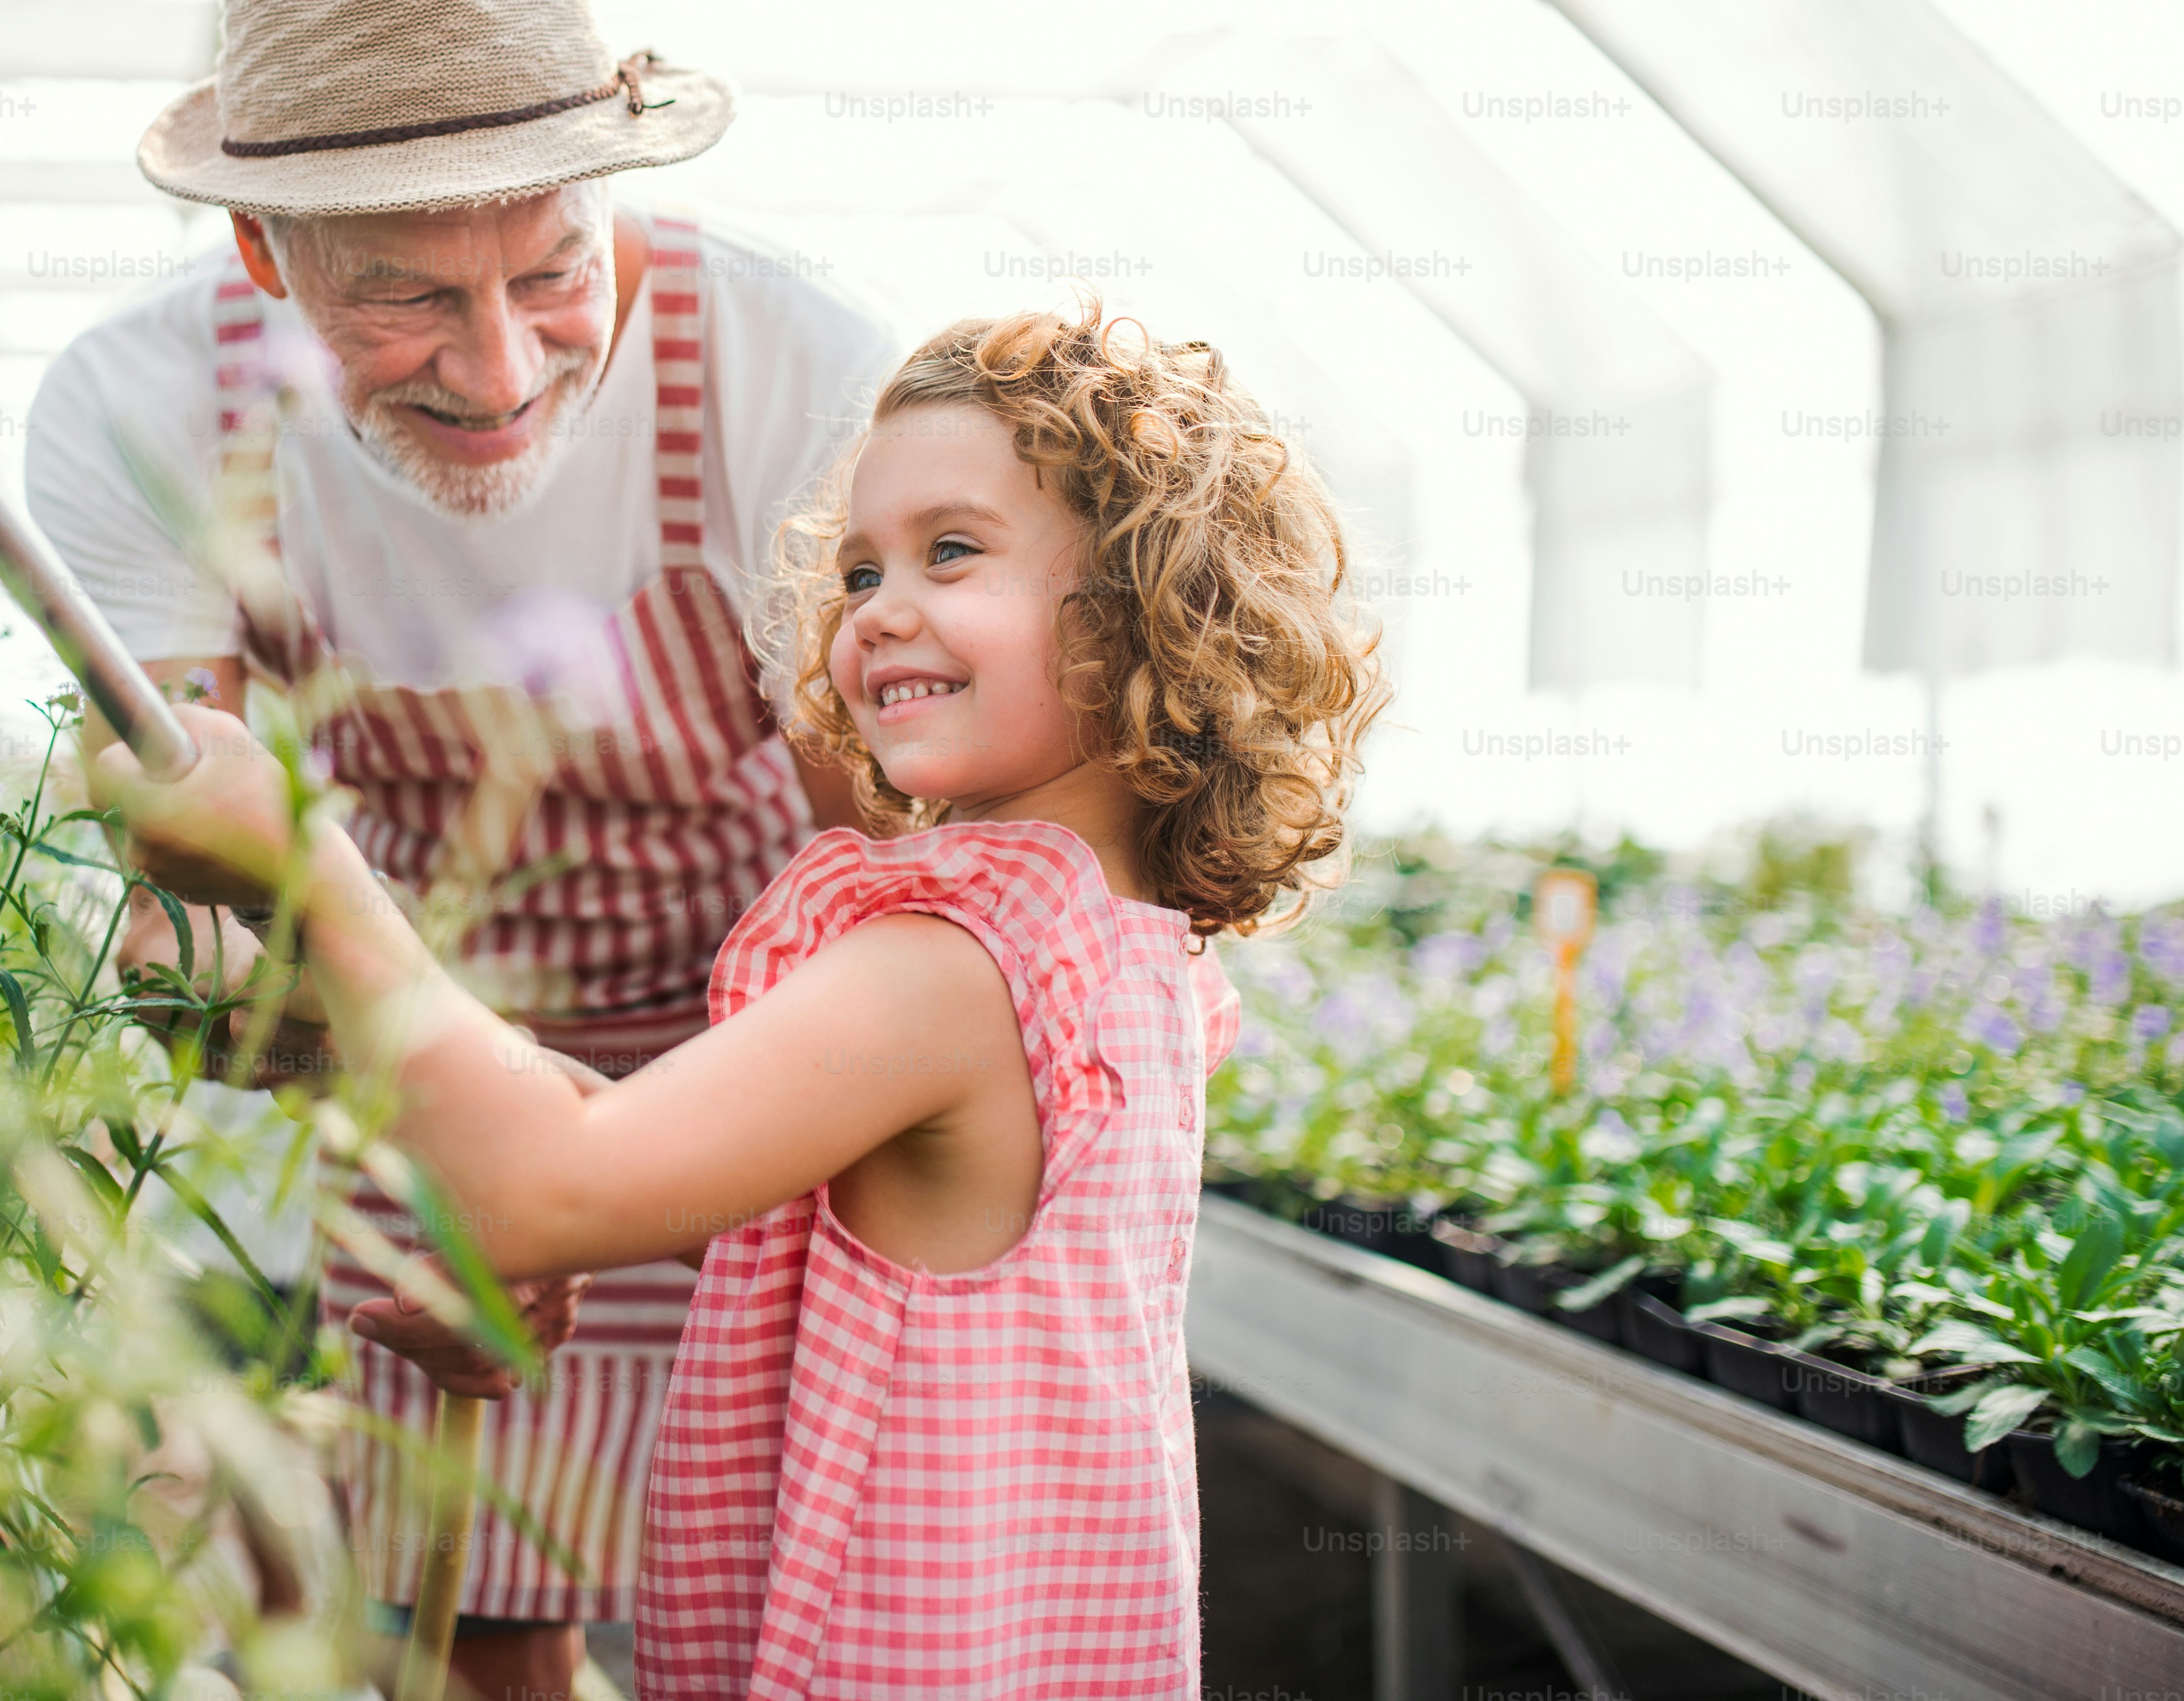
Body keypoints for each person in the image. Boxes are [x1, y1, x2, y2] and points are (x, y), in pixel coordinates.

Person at [99, 306, 1390, 1696]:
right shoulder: (1122, 949)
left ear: (1148, 605)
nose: (879, 605)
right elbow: (850, 1217)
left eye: (951, 550)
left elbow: (551, 1184)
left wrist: (314, 868)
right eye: (857, 567)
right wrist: (578, 1192)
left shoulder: (949, 962)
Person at [22, 0, 896, 1695]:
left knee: (782, 1601)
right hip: (378, 1039)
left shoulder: (785, 375)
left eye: (550, 270)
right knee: (487, 1615)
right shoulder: (137, 414)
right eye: (404, 296)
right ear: (259, 254)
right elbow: (206, 918)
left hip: (753, 1038)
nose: (498, 370)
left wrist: (611, 1175)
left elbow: (885, 890)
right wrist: (482, 1163)